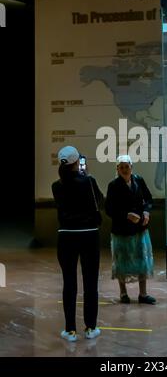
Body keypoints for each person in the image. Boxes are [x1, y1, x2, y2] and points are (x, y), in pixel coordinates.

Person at [52, 145, 104, 341]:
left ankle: (70, 330)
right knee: (90, 283)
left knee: (69, 282)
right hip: (89, 235)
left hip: (66, 236)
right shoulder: (88, 181)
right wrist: (87, 176)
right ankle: (91, 328)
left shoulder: (56, 186)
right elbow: (100, 202)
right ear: (77, 162)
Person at [105, 155, 156, 304]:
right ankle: (123, 293)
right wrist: (126, 215)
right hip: (122, 229)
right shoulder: (113, 185)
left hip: (139, 227)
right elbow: (109, 209)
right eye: (121, 167)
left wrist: (146, 211)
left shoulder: (138, 180)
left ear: (131, 167)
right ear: (117, 169)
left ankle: (143, 294)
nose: (125, 169)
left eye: (127, 166)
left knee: (142, 259)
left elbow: (148, 198)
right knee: (122, 260)